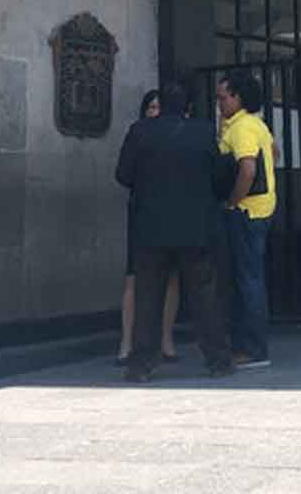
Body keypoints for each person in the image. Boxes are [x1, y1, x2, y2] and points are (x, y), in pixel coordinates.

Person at [115, 82, 233, 382]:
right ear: (188, 108)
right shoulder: (204, 133)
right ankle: (218, 359)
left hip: (150, 228)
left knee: (148, 296)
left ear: (161, 107)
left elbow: (123, 174)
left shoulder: (139, 131)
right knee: (204, 295)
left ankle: (142, 364)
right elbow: (219, 179)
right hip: (194, 228)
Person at [216, 70, 276, 370]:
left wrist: (232, 201)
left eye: (223, 98)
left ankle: (253, 349)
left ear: (238, 97)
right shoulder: (257, 125)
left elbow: (248, 170)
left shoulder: (241, 129)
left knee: (247, 281)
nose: (219, 104)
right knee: (250, 278)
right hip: (261, 210)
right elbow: (274, 153)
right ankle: (251, 345)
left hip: (246, 211)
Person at [116, 89, 179, 364]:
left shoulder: (178, 135)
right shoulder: (137, 135)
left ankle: (166, 339)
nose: (155, 112)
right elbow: (123, 173)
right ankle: (126, 342)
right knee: (134, 277)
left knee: (172, 277)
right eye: (151, 107)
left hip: (171, 212)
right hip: (142, 211)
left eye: (159, 107)